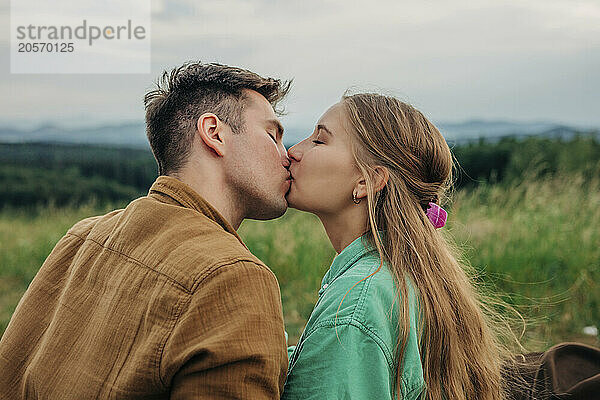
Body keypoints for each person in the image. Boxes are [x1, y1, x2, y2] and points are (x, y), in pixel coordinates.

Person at [0, 62, 292, 399]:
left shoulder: (83, 236)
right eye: (272, 134)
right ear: (214, 133)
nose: (287, 156)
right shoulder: (233, 277)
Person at [282, 92, 521, 399]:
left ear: (367, 181)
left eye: (319, 140)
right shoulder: (404, 275)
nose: (294, 151)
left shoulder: (355, 306)